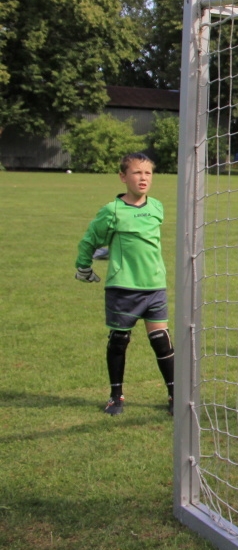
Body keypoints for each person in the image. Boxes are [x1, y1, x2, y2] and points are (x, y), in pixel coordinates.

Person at [75, 153, 175, 416]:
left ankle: (175, 395)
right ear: (123, 177)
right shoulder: (112, 210)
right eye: (136, 173)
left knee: (161, 341)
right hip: (123, 287)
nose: (143, 178)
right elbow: (90, 240)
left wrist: (113, 251)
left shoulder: (157, 207)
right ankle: (116, 396)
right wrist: (84, 266)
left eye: (148, 173)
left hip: (154, 285)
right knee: (119, 340)